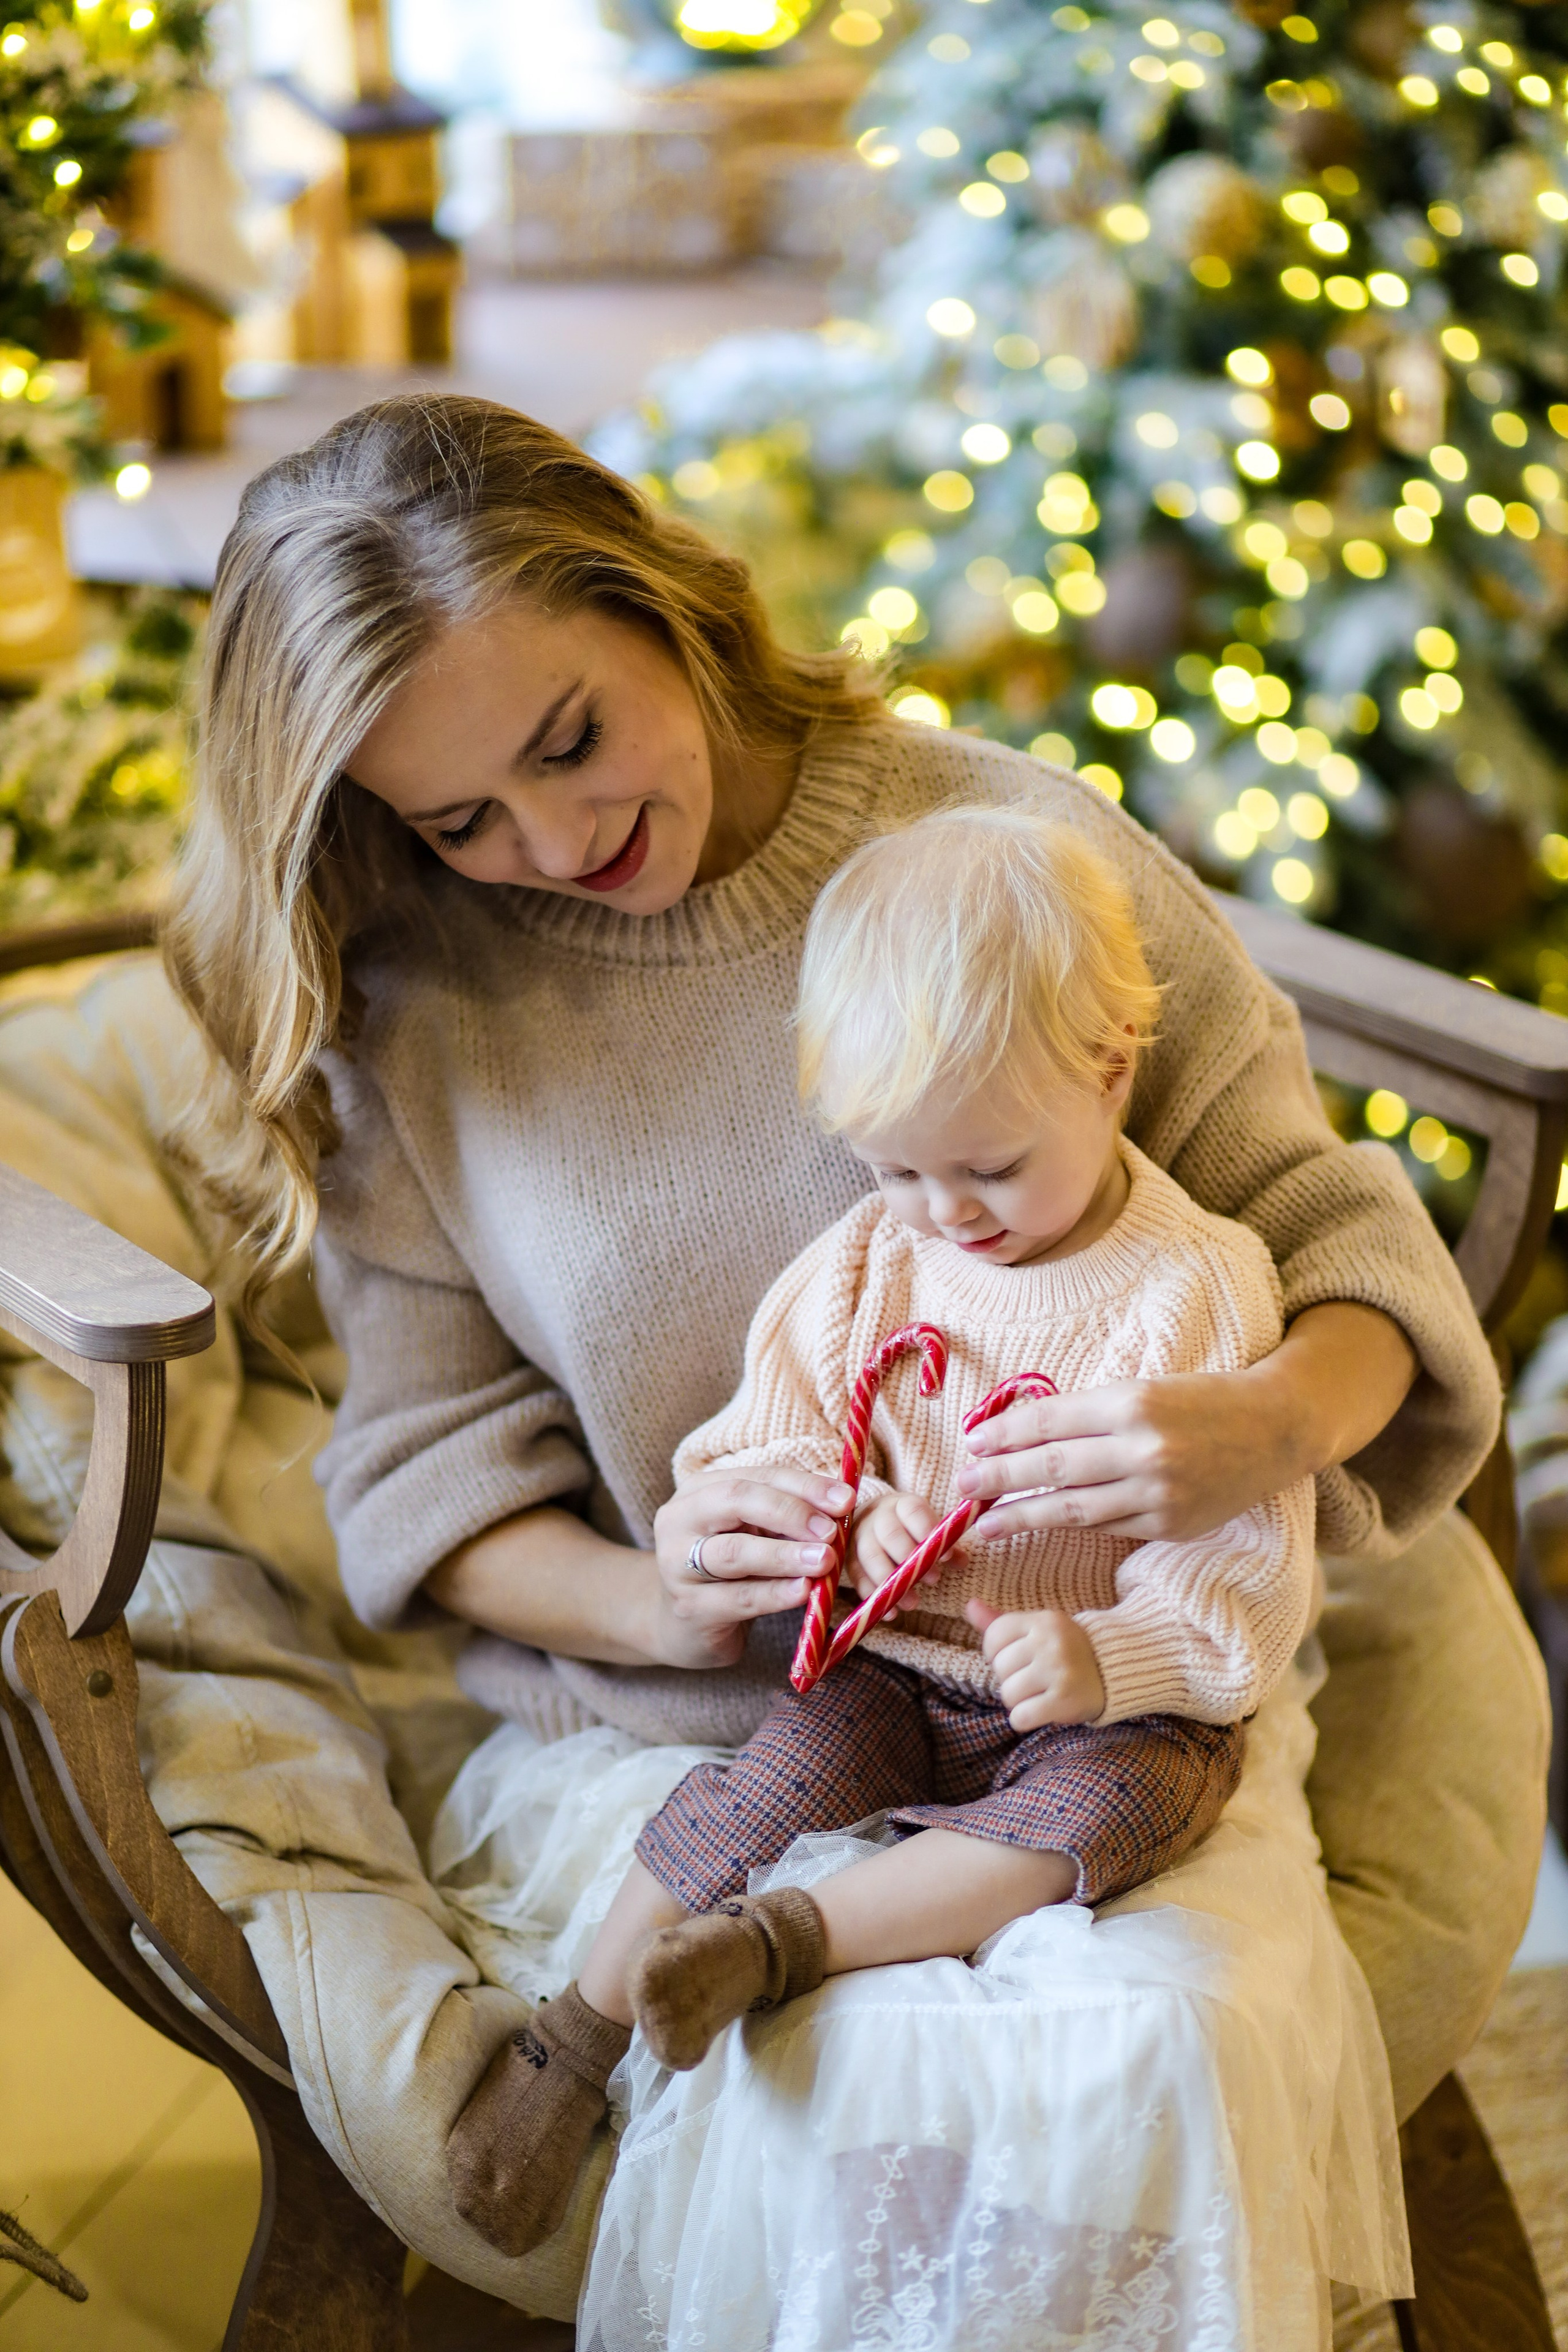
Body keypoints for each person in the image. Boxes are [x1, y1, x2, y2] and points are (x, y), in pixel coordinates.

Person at [163, 391, 1525, 2339]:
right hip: (696, 1720)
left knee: (1121, 2052)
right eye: (460, 817)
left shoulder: (1004, 852)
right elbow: (426, 1472)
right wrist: (663, 1588)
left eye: (572, 738)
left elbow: (1339, 1247)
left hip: (1112, 1690)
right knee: (816, 2080)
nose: (557, 843)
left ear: (665, 608)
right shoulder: (422, 998)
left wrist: (1265, 1427)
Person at [466, 804, 1319, 2253]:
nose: (943, 1212)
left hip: (1107, 1711)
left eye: (987, 1166)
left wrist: (1108, 1658)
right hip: (896, 1672)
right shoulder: (871, 1258)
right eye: (897, 1168)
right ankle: (573, 2035)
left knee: (1097, 1820)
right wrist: (801, 1513)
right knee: (772, 1773)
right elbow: (760, 1439)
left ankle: (781, 1946)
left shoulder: (1190, 1287)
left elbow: (1244, 1564)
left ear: (1109, 1075)